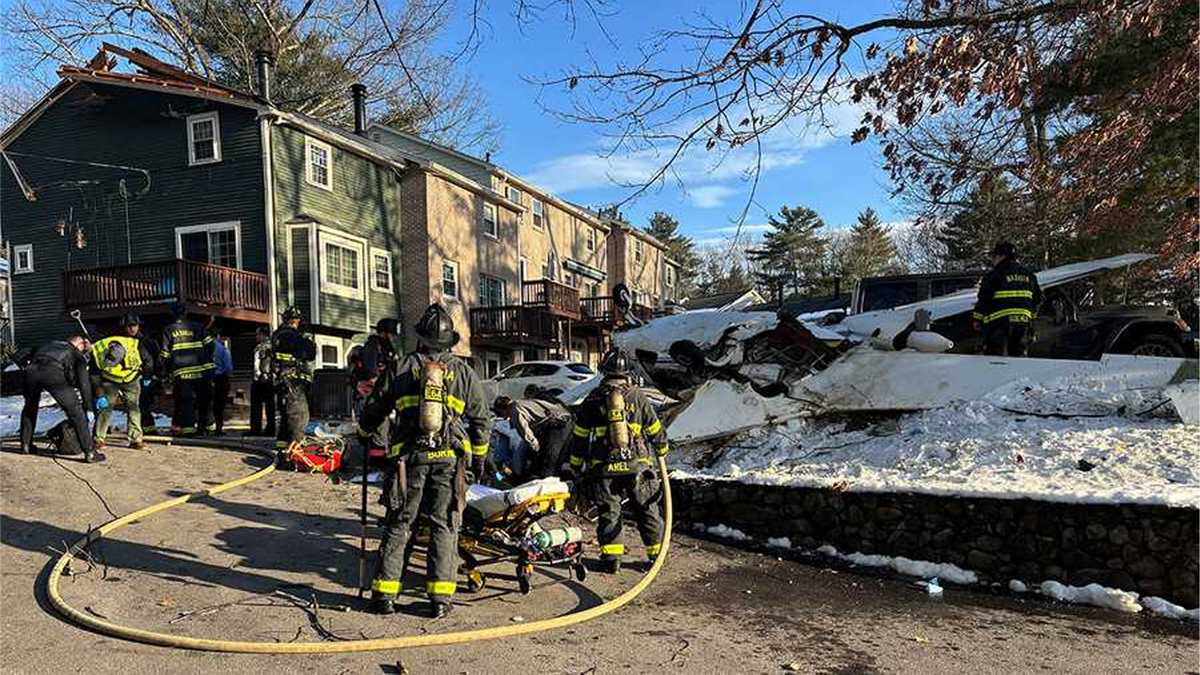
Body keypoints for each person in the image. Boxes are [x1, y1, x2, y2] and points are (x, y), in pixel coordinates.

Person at [358, 304, 491, 619]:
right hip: (450, 462)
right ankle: (440, 601)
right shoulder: (464, 373)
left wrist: (364, 434)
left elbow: (374, 409)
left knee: (400, 523)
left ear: (420, 338)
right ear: (449, 343)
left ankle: (384, 597)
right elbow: (481, 421)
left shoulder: (402, 367)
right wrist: (481, 458)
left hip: (409, 460)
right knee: (444, 525)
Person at [566, 348, 668, 574]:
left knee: (609, 511)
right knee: (647, 509)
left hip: (603, 468)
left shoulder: (592, 398)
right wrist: (662, 448)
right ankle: (655, 556)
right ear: (628, 372)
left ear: (603, 371)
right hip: (637, 467)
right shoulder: (637, 396)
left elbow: (580, 437)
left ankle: (612, 558)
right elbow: (654, 428)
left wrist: (575, 464)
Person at [18, 335, 105, 463]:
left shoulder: (48, 344)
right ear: (79, 344)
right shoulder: (76, 353)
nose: (83, 351)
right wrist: (88, 407)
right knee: (76, 412)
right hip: (53, 375)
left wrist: (24, 366)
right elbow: (84, 383)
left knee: (30, 407)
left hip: (31, 372)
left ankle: (25, 445)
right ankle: (90, 452)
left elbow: (19, 354)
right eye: (83, 348)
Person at [973, 241, 1043, 357]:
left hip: (999, 324)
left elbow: (984, 299)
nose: (993, 260)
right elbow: (1037, 299)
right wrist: (1031, 318)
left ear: (1001, 256)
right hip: (1022, 323)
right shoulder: (1029, 275)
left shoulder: (994, 275)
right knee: (1018, 356)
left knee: (996, 358)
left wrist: (977, 319)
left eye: (994, 257)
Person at [92, 313, 146, 450]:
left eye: (134, 325)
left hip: (131, 379)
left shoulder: (141, 342)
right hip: (110, 380)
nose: (132, 329)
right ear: (124, 327)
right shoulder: (108, 344)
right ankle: (100, 438)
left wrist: (148, 374)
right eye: (130, 326)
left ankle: (135, 439)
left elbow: (148, 360)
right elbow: (95, 367)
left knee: (133, 408)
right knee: (107, 408)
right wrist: (98, 389)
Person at [159, 303, 215, 435]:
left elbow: (165, 354)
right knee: (205, 399)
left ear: (172, 314)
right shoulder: (198, 327)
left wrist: (164, 372)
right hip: (203, 371)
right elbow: (210, 345)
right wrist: (204, 359)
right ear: (185, 313)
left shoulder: (168, 330)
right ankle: (208, 427)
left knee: (186, 401)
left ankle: (189, 429)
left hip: (183, 374)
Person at [492, 394, 573, 479]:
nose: (504, 418)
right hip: (564, 421)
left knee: (549, 461)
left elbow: (526, 433)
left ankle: (546, 483)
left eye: (501, 414)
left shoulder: (515, 410)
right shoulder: (522, 402)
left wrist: (536, 449)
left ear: (504, 408)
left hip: (558, 425)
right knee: (554, 459)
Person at [350, 318, 401, 451]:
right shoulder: (372, 346)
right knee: (379, 427)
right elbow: (371, 372)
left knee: (389, 427)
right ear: (384, 333)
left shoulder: (388, 349)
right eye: (392, 334)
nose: (394, 337)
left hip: (382, 394)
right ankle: (376, 461)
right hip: (370, 395)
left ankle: (381, 453)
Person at [272, 306, 316, 453]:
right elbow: (309, 353)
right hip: (294, 382)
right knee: (299, 413)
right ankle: (296, 447)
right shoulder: (294, 336)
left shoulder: (277, 335)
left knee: (286, 414)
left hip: (282, 380)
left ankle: (282, 445)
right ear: (296, 321)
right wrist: (308, 340)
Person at [248, 326, 275, 437]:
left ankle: (256, 429)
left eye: (258, 334)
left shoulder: (262, 347)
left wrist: (259, 375)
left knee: (256, 406)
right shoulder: (273, 346)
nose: (256, 337)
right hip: (269, 379)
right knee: (270, 406)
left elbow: (257, 364)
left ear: (263, 335)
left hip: (261, 379)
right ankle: (270, 429)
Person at [211, 331, 233, 435]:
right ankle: (218, 429)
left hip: (207, 378)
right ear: (218, 336)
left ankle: (205, 427)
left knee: (206, 404)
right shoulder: (223, 349)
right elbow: (228, 367)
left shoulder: (203, 348)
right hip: (221, 378)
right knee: (219, 405)